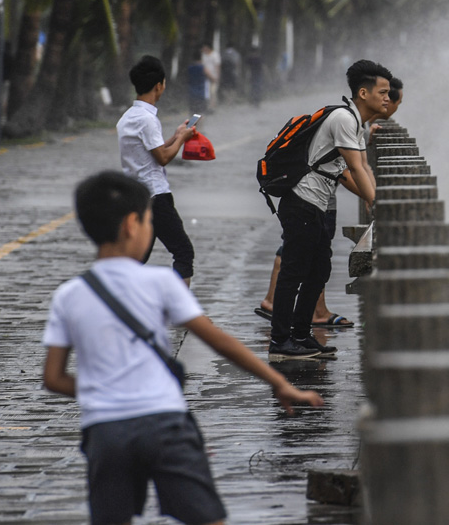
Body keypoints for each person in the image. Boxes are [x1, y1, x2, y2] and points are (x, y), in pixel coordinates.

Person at [42, 171, 322, 525]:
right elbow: (218, 340)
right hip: (164, 423)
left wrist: (104, 389)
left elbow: (53, 378)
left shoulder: (69, 295)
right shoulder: (160, 281)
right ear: (132, 224)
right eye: (149, 220)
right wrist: (279, 383)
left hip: (105, 432)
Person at [255, 74, 402, 328]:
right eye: (384, 93)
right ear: (364, 93)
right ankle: (282, 341)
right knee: (295, 270)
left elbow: (359, 166)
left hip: (316, 203)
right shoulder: (345, 119)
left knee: (317, 269)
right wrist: (376, 203)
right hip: (306, 200)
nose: (388, 99)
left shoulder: (356, 123)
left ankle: (302, 335)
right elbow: (352, 170)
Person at [117, 55, 197, 285]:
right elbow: (162, 157)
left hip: (137, 196)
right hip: (156, 196)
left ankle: (119, 301)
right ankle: (178, 308)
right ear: (158, 85)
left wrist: (176, 134)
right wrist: (181, 139)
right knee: (183, 252)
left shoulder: (128, 118)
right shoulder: (148, 120)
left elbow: (152, 150)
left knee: (137, 256)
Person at [187, 50, 207, 116]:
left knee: (193, 112)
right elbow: (210, 76)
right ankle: (200, 126)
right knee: (201, 112)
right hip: (201, 93)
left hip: (192, 93)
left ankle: (193, 126)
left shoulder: (190, 68)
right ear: (201, 57)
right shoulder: (202, 67)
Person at [202, 43, 221, 111]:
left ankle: (212, 106)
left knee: (213, 92)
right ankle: (207, 106)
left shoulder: (215, 55)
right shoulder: (203, 55)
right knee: (207, 93)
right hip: (205, 76)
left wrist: (217, 76)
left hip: (214, 76)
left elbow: (217, 66)